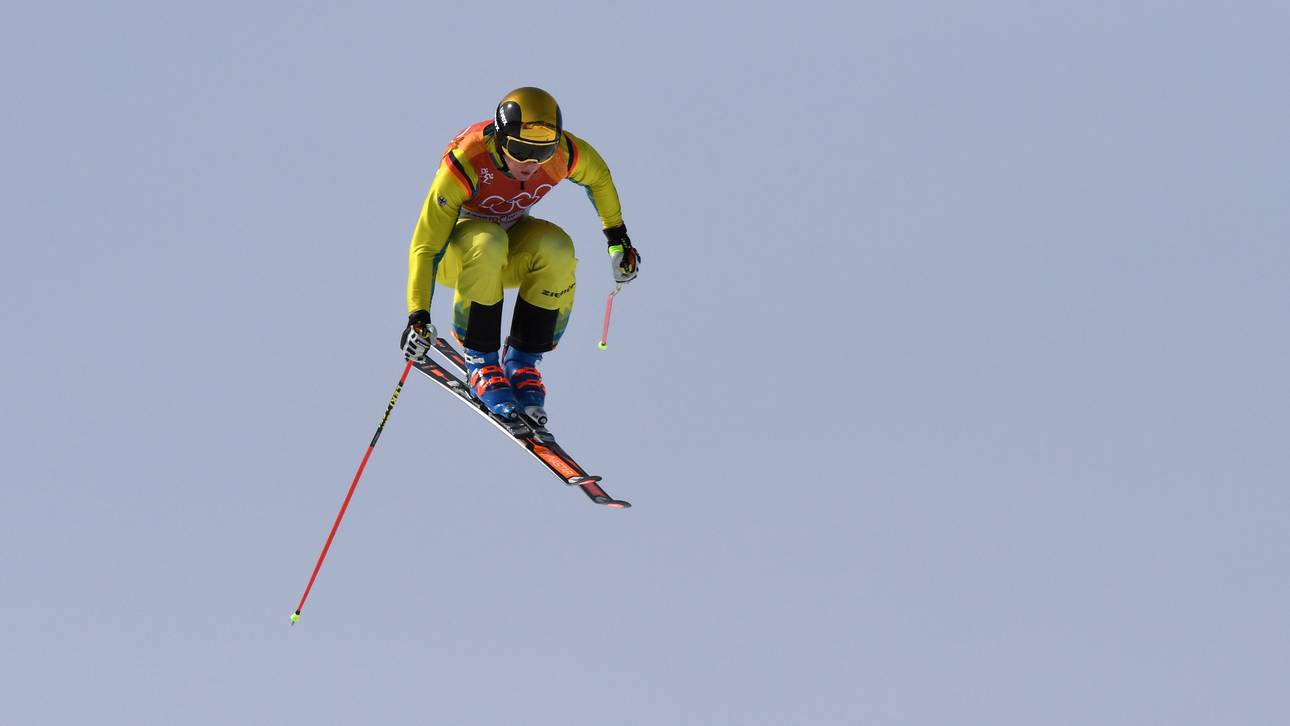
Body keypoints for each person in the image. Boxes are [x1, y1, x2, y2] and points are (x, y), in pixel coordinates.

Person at [399, 87, 641, 423]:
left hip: (506, 254)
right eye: (520, 150)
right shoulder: (467, 160)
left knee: (558, 248)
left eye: (542, 152)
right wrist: (418, 315)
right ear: (500, 140)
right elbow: (426, 247)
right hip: (459, 257)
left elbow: (598, 177)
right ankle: (481, 360)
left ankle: (522, 361)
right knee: (489, 241)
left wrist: (618, 240)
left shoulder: (563, 154)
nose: (531, 163)